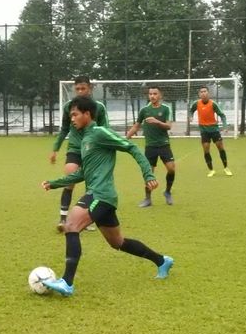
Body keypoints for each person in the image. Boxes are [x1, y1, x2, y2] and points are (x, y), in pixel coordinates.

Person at [41, 96, 174, 296]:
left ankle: (67, 283)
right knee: (117, 242)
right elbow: (83, 173)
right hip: (102, 196)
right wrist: (54, 183)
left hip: (100, 194)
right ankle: (162, 261)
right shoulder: (85, 138)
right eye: (71, 115)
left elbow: (131, 147)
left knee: (71, 225)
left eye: (75, 114)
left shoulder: (100, 132)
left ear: (87, 114)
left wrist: (148, 174)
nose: (72, 119)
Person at [50, 76, 109, 232]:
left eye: (83, 88)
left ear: (90, 88)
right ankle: (63, 218)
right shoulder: (69, 107)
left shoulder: (99, 107)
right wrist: (55, 148)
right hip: (75, 148)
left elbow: (105, 130)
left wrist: (106, 149)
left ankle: (87, 218)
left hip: (93, 150)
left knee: (92, 185)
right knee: (69, 179)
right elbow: (64, 129)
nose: (80, 91)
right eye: (77, 89)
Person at [126, 86, 175, 206]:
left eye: (155, 94)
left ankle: (167, 192)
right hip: (150, 146)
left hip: (164, 144)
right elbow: (137, 125)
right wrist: (127, 136)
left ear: (160, 95)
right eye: (150, 94)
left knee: (171, 169)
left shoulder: (166, 109)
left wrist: (157, 121)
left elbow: (169, 126)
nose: (152, 96)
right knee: (149, 173)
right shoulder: (144, 110)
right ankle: (147, 199)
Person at [189, 86, 233, 177]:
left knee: (220, 147)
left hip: (214, 130)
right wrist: (191, 116)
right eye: (201, 92)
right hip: (204, 131)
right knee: (206, 150)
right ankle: (211, 170)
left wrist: (225, 126)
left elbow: (222, 115)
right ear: (199, 94)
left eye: (205, 91)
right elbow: (191, 111)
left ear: (208, 93)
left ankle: (226, 168)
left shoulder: (213, 104)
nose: (203, 93)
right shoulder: (196, 103)